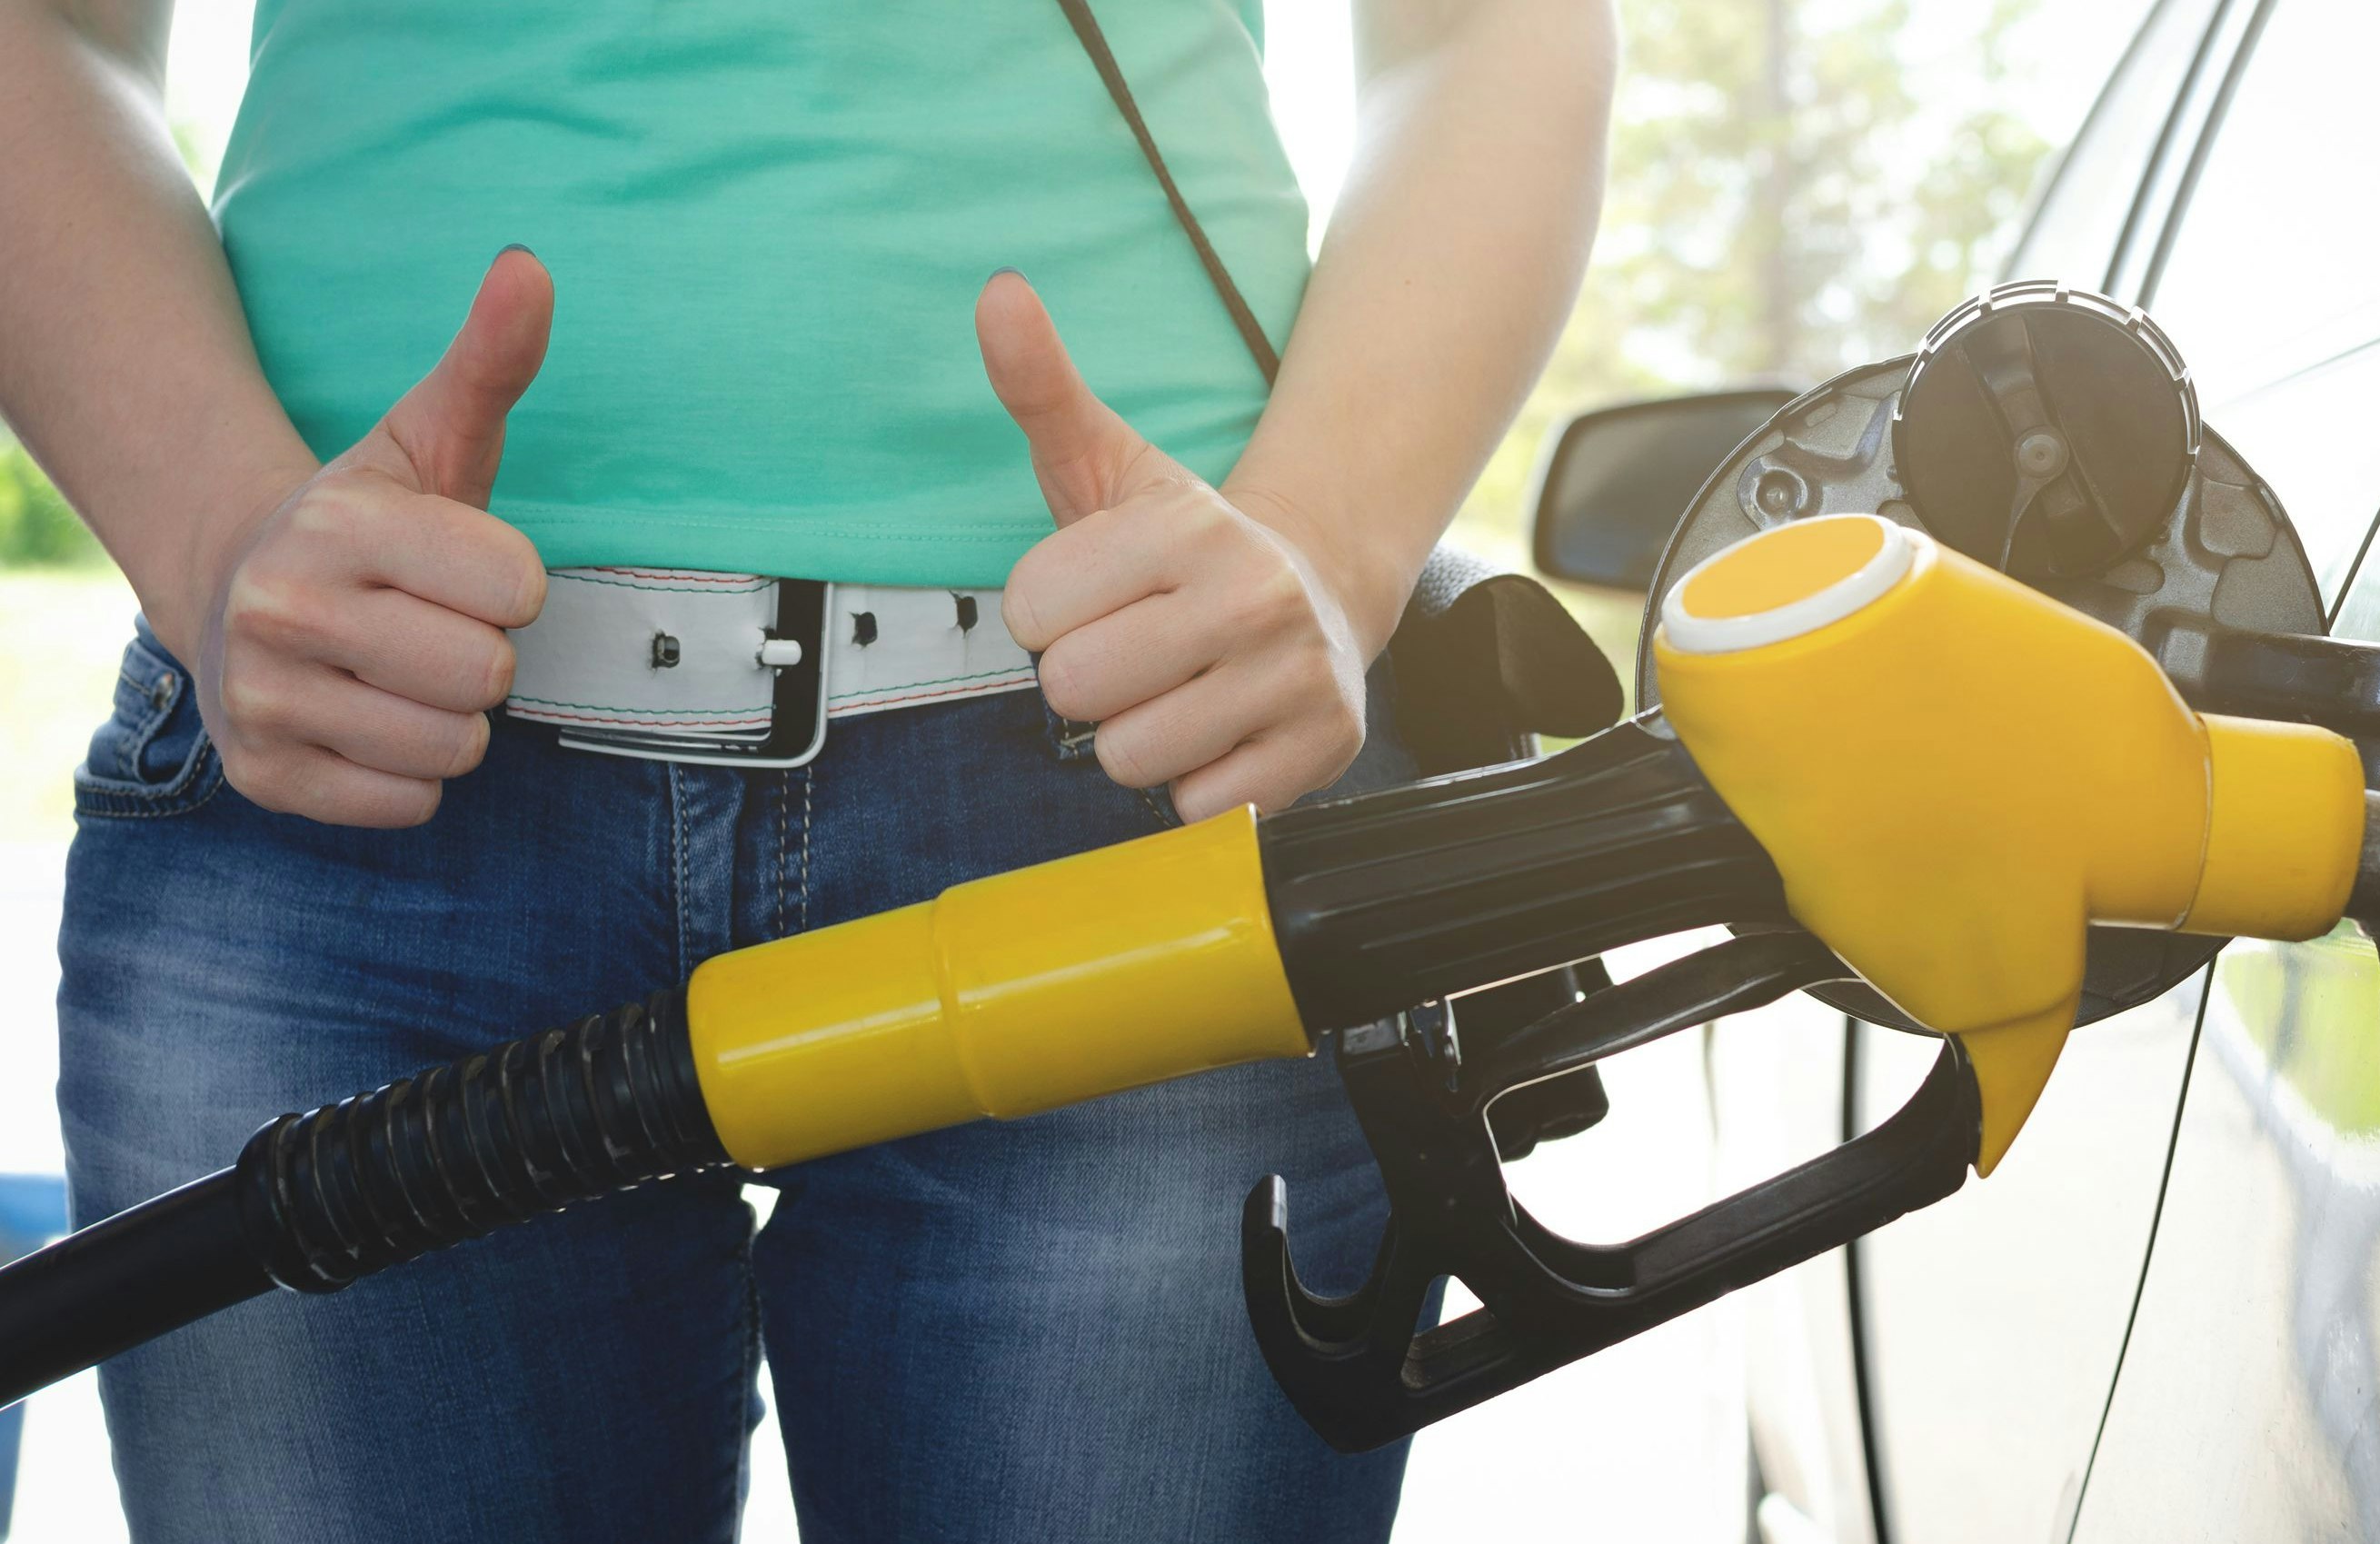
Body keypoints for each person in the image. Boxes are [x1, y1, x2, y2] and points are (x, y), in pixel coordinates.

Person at [0, 0, 1613, 1537]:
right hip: (350, 790)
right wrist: (210, 536)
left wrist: (1334, 549)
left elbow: (1486, 30)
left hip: (1142, 776)